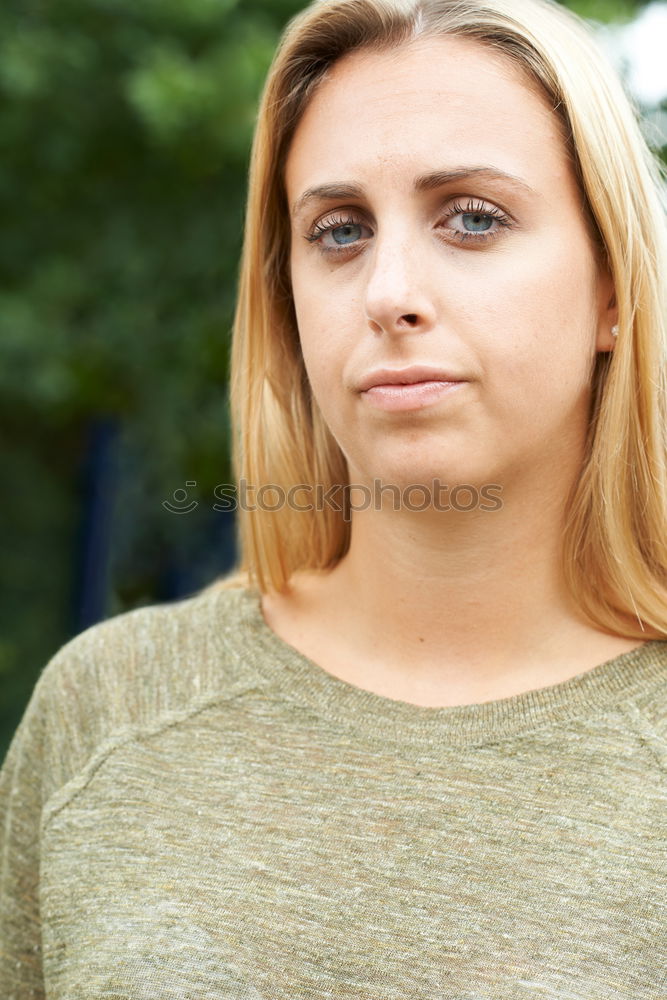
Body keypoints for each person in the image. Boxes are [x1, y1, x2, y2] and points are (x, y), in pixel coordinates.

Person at [2, 0, 666, 994]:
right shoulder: (109, 712)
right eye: (339, 230)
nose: (387, 290)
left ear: (614, 286)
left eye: (472, 218)